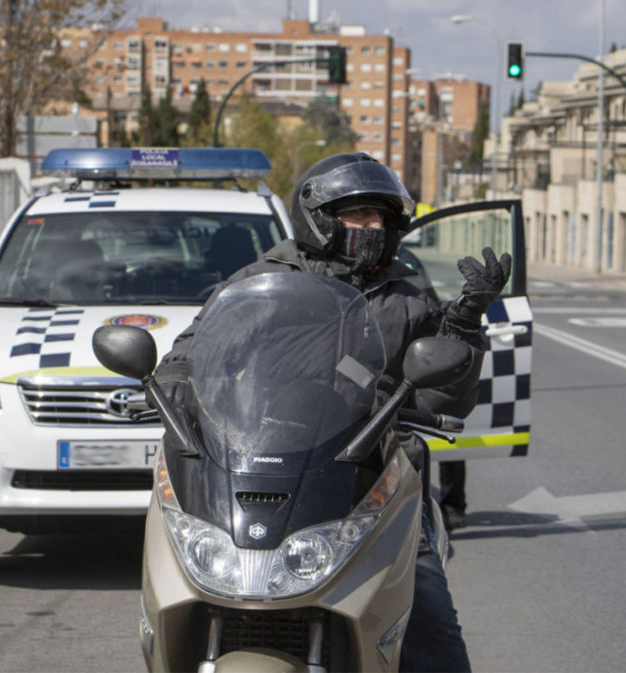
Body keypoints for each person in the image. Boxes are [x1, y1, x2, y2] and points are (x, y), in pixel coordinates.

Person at [155, 152, 511, 673]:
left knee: (432, 625)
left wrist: (464, 325)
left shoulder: (407, 296)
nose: (370, 227)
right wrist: (168, 389)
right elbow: (191, 356)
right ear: (319, 216)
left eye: (379, 218)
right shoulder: (259, 284)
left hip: (371, 474)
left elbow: (442, 401)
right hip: (262, 467)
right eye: (356, 215)